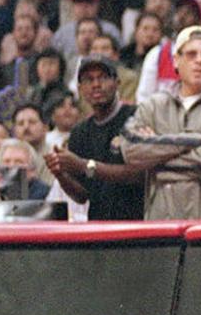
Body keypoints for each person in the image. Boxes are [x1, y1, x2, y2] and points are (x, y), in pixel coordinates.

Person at [119, 26, 201, 219]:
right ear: (176, 60)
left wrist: (157, 163)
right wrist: (194, 141)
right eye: (191, 54)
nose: (199, 60)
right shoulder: (153, 106)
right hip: (162, 227)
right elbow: (131, 151)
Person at [45, 56, 145, 220]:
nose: (96, 84)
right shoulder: (79, 133)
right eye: (89, 79)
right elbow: (82, 195)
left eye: (103, 78)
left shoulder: (136, 117)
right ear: (80, 88)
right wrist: (60, 174)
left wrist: (85, 166)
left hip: (137, 225)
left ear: (117, 83)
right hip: (99, 227)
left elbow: (137, 174)